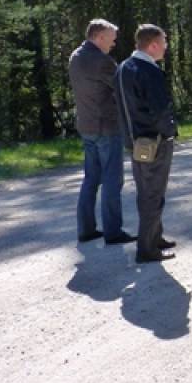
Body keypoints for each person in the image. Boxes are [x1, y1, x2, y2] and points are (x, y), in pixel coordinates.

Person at [68, 19, 136, 245]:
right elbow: (122, 89)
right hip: (106, 127)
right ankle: (113, 231)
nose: (114, 43)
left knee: (91, 178)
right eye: (111, 39)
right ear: (99, 37)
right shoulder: (102, 61)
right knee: (112, 179)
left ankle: (86, 229)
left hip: (86, 126)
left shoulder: (75, 56)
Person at [116, 24, 179, 263]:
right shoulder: (148, 70)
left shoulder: (123, 68)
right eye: (164, 42)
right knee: (152, 194)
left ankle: (155, 237)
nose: (166, 47)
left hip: (135, 141)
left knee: (149, 191)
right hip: (154, 141)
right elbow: (160, 109)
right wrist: (170, 131)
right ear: (153, 45)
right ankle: (147, 248)